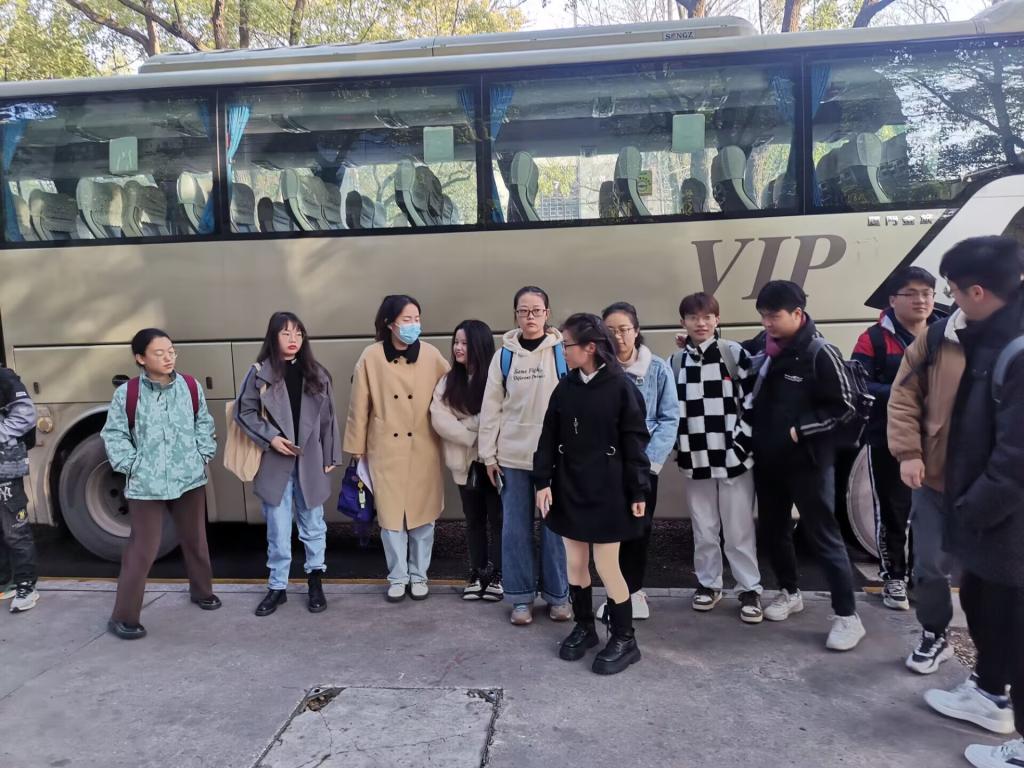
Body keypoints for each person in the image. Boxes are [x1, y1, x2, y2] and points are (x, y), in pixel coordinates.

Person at [919, 237, 1024, 768]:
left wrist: (970, 512)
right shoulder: (992, 336)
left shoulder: (1017, 350)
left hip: (1007, 525)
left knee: (1013, 625)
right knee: (986, 609)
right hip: (993, 523)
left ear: (978, 291)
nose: (951, 301)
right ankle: (989, 693)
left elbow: (1016, 459)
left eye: (954, 291)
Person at [750, 280, 865, 651]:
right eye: (763, 316)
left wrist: (800, 430)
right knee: (774, 530)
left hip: (809, 463)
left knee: (823, 536)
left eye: (774, 316)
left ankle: (847, 616)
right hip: (769, 461)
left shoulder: (820, 351)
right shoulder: (767, 347)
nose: (767, 323)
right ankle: (789, 591)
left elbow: (846, 406)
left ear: (798, 313)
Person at [533, 313, 650, 675]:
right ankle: (585, 627)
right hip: (570, 485)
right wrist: (542, 481)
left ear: (589, 348)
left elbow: (635, 441)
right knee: (575, 561)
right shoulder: (565, 387)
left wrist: (638, 489)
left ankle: (625, 638)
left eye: (566, 345)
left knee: (607, 564)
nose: (562, 351)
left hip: (610, 488)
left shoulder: (621, 387)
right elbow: (548, 436)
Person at [101, 328, 220, 640]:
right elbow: (114, 435)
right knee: (143, 548)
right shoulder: (127, 394)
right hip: (146, 484)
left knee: (195, 538)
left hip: (188, 477)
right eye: (159, 353)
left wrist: (201, 454)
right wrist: (133, 466)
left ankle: (202, 591)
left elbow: (204, 423)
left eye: (171, 351)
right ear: (141, 358)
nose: (168, 358)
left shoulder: (190, 387)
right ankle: (123, 616)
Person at [235, 312, 341, 617]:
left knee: (314, 525)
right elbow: (244, 412)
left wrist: (331, 454)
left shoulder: (317, 374)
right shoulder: (259, 374)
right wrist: (271, 438)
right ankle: (277, 587)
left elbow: (329, 418)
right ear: (273, 337)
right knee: (278, 529)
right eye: (286, 333)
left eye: (298, 333)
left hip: (310, 460)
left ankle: (315, 582)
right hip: (275, 461)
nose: (293, 340)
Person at [344, 295, 449, 602]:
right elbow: (358, 405)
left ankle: (419, 575)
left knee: (423, 516)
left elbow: (450, 391)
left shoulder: (431, 354)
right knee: (390, 518)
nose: (414, 325)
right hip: (385, 448)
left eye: (417, 318)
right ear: (390, 324)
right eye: (407, 319)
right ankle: (397, 576)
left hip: (423, 446)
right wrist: (356, 447)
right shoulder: (371, 356)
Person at [478, 286, 571, 626]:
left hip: (556, 459)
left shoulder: (561, 352)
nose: (530, 317)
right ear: (515, 314)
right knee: (515, 530)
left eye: (536, 310)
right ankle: (520, 599)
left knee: (556, 530)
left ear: (547, 313)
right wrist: (488, 456)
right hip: (513, 458)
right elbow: (491, 409)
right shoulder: (504, 356)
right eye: (523, 311)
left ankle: (559, 597)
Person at [888, 271, 965, 674]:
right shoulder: (936, 338)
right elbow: (903, 396)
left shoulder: (1011, 337)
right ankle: (935, 632)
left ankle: (995, 668)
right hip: (935, 475)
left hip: (996, 479)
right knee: (930, 565)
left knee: (994, 574)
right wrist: (909, 453)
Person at [671, 292, 764, 623]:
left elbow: (752, 402)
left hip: (733, 457)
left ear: (717, 319)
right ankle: (709, 584)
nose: (701, 323)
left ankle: (748, 587)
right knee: (704, 527)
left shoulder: (732, 353)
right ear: (683, 321)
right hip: (695, 455)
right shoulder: (676, 361)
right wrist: (679, 447)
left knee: (739, 528)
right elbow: (671, 410)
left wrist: (742, 445)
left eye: (707, 317)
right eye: (693, 317)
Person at [852, 267, 939, 611]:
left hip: (936, 439)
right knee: (892, 509)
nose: (921, 300)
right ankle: (894, 578)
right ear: (892, 300)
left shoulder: (946, 334)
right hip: (886, 438)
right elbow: (859, 385)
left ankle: (921, 577)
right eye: (911, 293)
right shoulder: (873, 339)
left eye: (927, 293)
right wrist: (907, 394)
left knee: (929, 512)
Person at [598, 302, 677, 621]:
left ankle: (634, 592)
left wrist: (650, 462)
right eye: (610, 330)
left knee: (638, 530)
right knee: (609, 533)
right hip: (606, 465)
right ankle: (615, 593)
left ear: (637, 331)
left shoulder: (656, 368)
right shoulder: (597, 369)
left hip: (642, 466)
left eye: (624, 329)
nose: (617, 336)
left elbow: (669, 417)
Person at [430, 319, 504, 602]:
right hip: (464, 464)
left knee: (498, 520)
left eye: (465, 343)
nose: (458, 348)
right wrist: (474, 433)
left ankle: (497, 575)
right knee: (473, 520)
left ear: (479, 346)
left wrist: (465, 423)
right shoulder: (448, 380)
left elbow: (499, 415)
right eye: (456, 342)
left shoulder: (497, 377)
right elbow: (439, 418)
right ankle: (476, 572)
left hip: (494, 462)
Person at [0, 363, 39, 613]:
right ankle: (6, 581)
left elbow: (26, 414)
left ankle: (27, 586)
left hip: (4, 469)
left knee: (15, 530)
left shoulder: (3, 377)